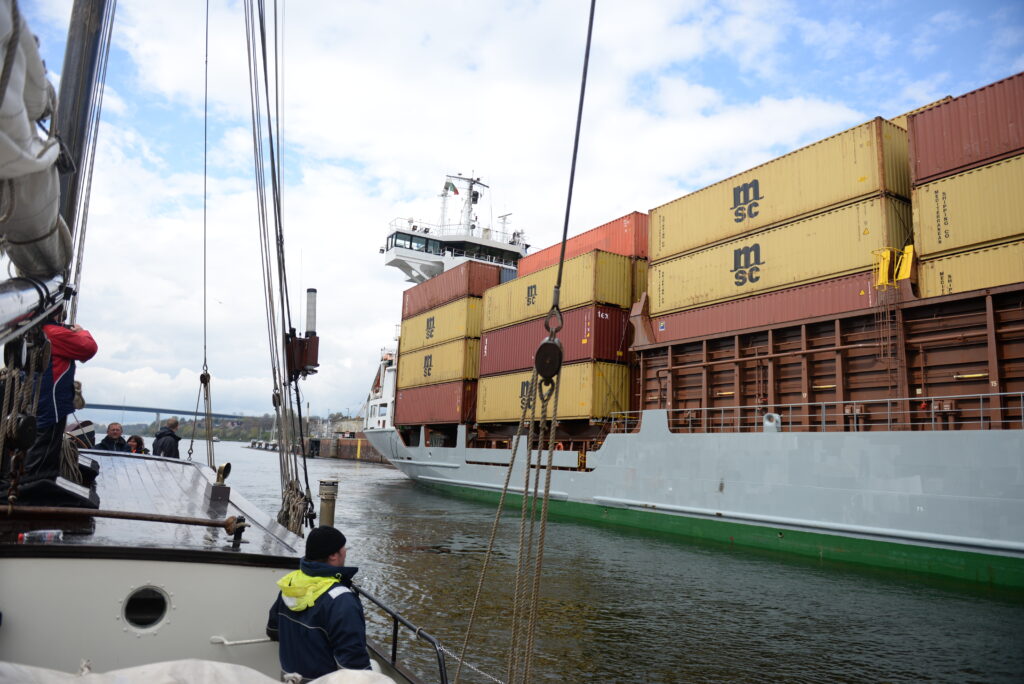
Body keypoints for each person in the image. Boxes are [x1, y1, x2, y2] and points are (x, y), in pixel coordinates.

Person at [267, 526, 371, 678]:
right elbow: (354, 667)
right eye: (344, 548)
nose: (346, 552)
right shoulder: (342, 601)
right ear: (334, 555)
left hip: (289, 679)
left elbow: (273, 631)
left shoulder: (291, 585)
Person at [22, 318, 98, 481]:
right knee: (46, 443)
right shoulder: (53, 333)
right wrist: (80, 331)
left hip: (42, 398)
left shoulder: (35, 333)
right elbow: (88, 348)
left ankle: (35, 479)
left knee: (43, 442)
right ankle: (34, 483)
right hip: (52, 400)